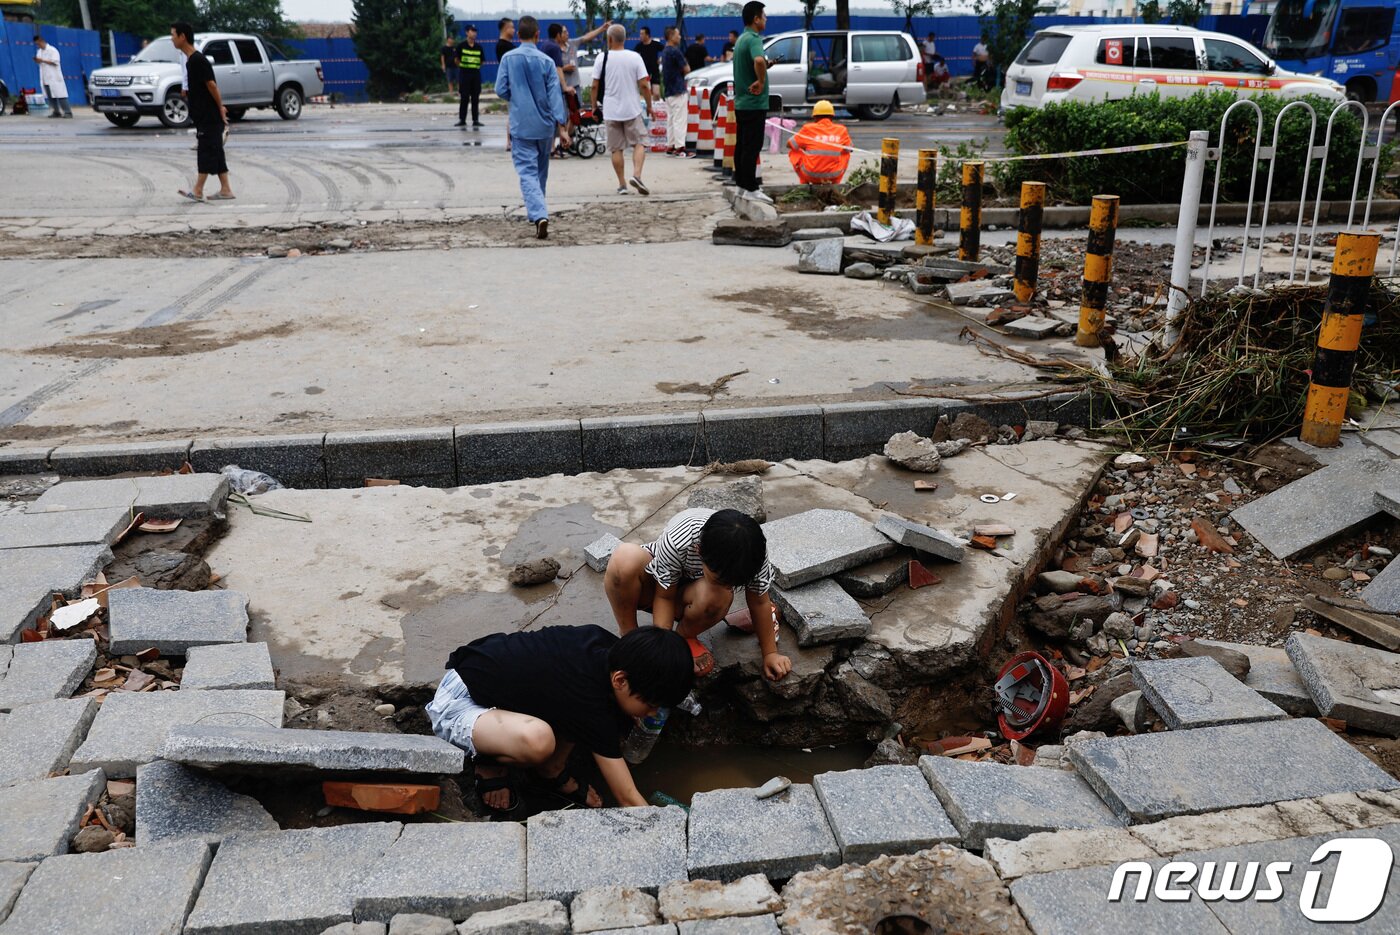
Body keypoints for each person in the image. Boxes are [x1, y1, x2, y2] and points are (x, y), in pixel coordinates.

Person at [428, 625, 694, 814]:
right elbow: (627, 797)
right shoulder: (592, 702)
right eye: (650, 705)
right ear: (620, 680)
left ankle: (550, 770)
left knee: (572, 711)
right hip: (460, 703)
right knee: (538, 740)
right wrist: (668, 834)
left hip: (492, 674)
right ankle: (488, 765)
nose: (651, 714)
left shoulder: (607, 650)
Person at [605, 508, 793, 683]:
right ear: (699, 551)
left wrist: (770, 654)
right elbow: (665, 597)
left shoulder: (752, 554)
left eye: (734, 584)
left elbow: (760, 603)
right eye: (720, 579)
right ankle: (629, 636)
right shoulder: (680, 539)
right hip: (657, 586)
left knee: (718, 594)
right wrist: (661, 647)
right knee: (624, 559)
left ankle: (683, 638)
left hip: (696, 598)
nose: (729, 585)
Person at [494, 15, 569, 239]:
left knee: (527, 172)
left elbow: (500, 89)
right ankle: (538, 213)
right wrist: (562, 126)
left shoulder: (508, 58)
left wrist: (516, 98)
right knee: (540, 171)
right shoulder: (546, 61)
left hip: (521, 125)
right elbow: (555, 97)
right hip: (545, 126)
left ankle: (538, 214)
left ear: (518, 35)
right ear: (537, 35)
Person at [172, 22, 233, 202]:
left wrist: (220, 108)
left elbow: (212, 85)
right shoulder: (191, 60)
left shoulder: (198, 60)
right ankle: (226, 189)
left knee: (206, 150)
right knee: (215, 150)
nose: (172, 39)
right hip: (203, 114)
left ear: (182, 37)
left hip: (209, 115)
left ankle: (197, 190)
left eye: (173, 35)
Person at [591, 23, 653, 196]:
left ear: (609, 39)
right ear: (624, 39)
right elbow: (644, 85)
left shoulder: (601, 58)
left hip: (611, 110)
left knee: (616, 149)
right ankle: (637, 175)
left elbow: (595, 86)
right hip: (631, 109)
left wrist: (594, 107)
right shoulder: (635, 57)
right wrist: (649, 106)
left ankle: (622, 185)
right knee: (639, 142)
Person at [731, 1, 771, 203]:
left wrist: (765, 66)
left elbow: (756, 63)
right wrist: (762, 81)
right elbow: (758, 61)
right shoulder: (755, 39)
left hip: (741, 103)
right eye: (763, 16)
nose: (766, 19)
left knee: (742, 145)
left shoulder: (741, 39)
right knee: (752, 146)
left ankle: (740, 184)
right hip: (754, 103)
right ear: (756, 19)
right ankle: (751, 187)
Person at [787, 100, 850, 184]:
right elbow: (849, 148)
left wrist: (804, 146)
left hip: (810, 175)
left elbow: (789, 144)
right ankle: (836, 183)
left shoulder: (808, 128)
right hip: (833, 175)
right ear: (832, 116)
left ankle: (804, 182)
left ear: (814, 117)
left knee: (794, 151)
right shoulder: (841, 129)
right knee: (846, 154)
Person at [661, 27, 692, 157]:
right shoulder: (675, 52)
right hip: (678, 89)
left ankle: (671, 145)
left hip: (668, 90)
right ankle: (680, 147)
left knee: (671, 119)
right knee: (680, 119)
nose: (680, 37)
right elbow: (687, 69)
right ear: (671, 36)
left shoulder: (665, 51)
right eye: (678, 35)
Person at [32, 37, 72, 118]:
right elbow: (40, 61)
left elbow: (55, 62)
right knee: (50, 96)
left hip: (54, 77)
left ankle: (67, 112)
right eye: (36, 44)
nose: (38, 46)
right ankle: (56, 111)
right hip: (45, 77)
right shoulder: (39, 51)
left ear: (42, 41)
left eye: (38, 44)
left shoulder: (52, 50)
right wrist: (37, 60)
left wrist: (42, 60)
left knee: (61, 95)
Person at [455, 25, 483, 127]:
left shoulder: (479, 47)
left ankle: (475, 120)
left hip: (475, 75)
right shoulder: (461, 46)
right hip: (464, 75)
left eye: (475, 31)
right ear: (467, 32)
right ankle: (462, 120)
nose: (474, 33)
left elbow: (482, 61)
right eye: (472, 31)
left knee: (475, 98)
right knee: (464, 98)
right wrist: (464, 67)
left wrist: (474, 67)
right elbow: (456, 60)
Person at [497, 17, 516, 149]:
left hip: (511, 82)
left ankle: (510, 141)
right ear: (505, 28)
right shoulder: (504, 46)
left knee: (512, 112)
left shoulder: (506, 45)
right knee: (513, 113)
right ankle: (509, 141)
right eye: (512, 27)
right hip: (511, 83)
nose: (514, 30)